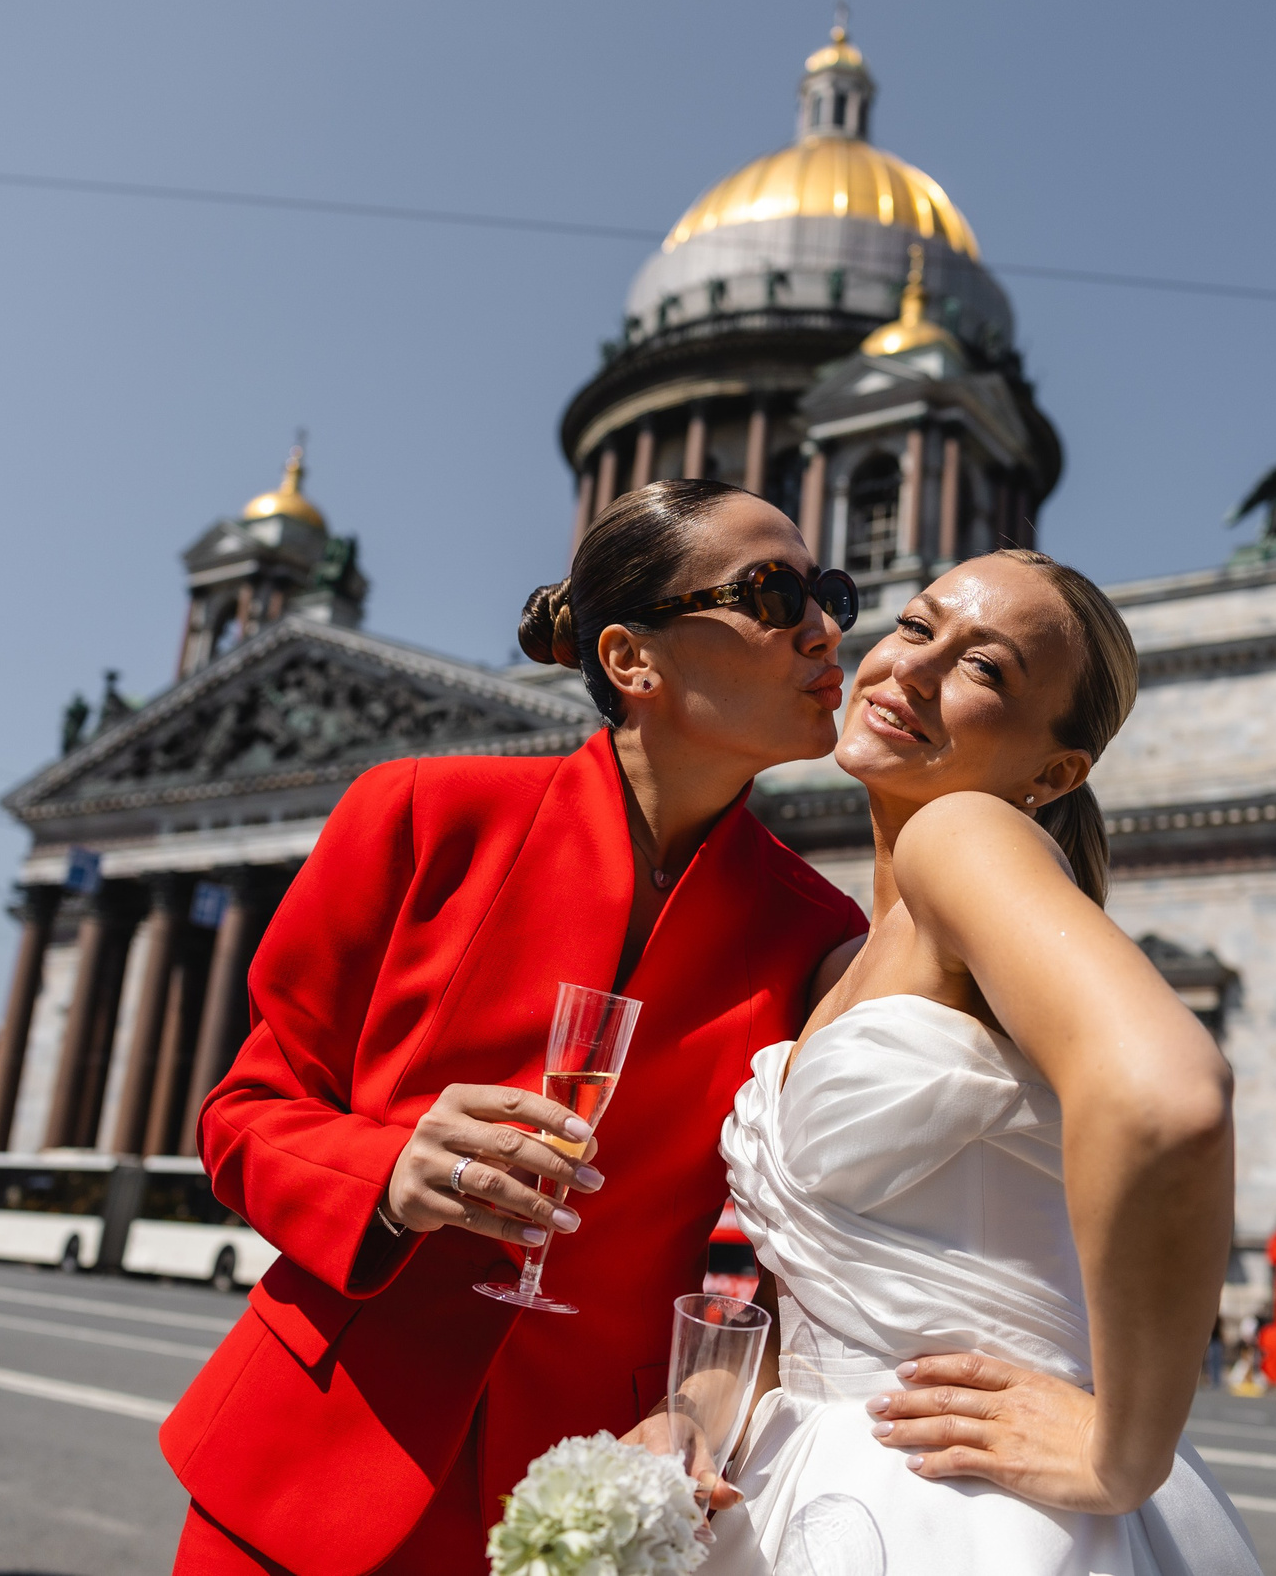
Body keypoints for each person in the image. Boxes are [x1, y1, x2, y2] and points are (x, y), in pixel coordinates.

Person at [161, 480, 870, 1575]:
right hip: (315, 1450)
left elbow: (778, 1248)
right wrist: (388, 1171)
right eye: (774, 594)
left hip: (586, 1493)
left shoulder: (817, 932)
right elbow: (243, 1116)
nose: (825, 627)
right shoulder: (417, 815)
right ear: (632, 660)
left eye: (830, 591)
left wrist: (707, 1398)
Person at [707, 551, 1259, 1576]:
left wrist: (1122, 1454)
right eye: (915, 628)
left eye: (986, 670)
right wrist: (696, 1412)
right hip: (823, 1470)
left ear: (1055, 774)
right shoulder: (841, 954)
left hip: (955, 1510)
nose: (910, 672)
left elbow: (1169, 1095)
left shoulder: (957, 836)